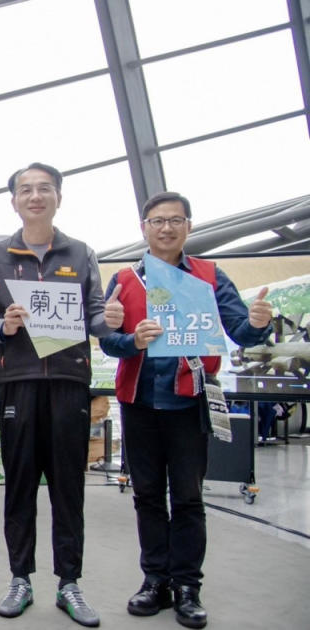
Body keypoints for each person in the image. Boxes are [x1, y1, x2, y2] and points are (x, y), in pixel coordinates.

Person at [99, 191, 272, 629]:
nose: (166, 228)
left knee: (190, 498)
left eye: (176, 220)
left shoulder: (210, 277)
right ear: (144, 227)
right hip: (139, 403)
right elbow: (107, 340)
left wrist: (257, 323)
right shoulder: (124, 279)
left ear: (189, 227)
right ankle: (154, 580)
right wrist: (130, 340)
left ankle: (188, 586)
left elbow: (239, 331)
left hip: (190, 402)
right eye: (157, 220)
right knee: (147, 496)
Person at [0, 163, 123, 627]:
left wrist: (111, 320)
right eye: (25, 190)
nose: (35, 196)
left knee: (67, 487)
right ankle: (20, 578)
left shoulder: (81, 252)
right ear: (13, 200)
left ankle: (69, 583)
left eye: (44, 189)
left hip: (69, 384)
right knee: (18, 485)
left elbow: (95, 317)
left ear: (58, 196)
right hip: (17, 383)